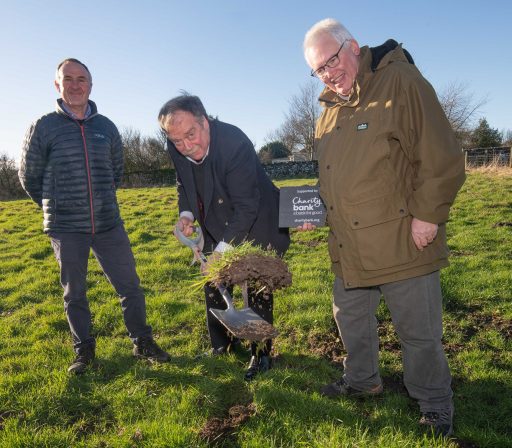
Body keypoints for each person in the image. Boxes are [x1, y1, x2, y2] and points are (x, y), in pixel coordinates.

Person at [302, 19, 466, 436]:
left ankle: (435, 405)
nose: (328, 72)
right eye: (319, 69)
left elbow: (441, 153)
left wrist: (428, 216)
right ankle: (362, 381)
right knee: (350, 318)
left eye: (332, 60)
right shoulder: (327, 111)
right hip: (350, 245)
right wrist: (311, 212)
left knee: (418, 333)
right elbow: (336, 176)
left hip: (402, 238)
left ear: (353, 47)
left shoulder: (400, 82)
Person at [19, 58, 169, 374]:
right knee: (75, 292)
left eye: (82, 78)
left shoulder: (107, 128)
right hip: (65, 225)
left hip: (108, 223)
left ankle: (142, 341)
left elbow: (115, 172)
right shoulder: (43, 126)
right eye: (68, 78)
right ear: (57, 84)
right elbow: (28, 175)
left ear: (90, 84)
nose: (75, 84)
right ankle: (84, 351)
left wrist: (99, 202)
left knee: (130, 285)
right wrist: (54, 206)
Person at [158, 94, 290, 381]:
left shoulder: (234, 143)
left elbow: (247, 207)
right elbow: (184, 181)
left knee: (256, 285)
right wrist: (187, 214)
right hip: (217, 218)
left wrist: (222, 251)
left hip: (257, 222)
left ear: (204, 122)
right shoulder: (175, 142)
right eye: (177, 141)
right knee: (214, 283)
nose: (185, 146)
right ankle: (222, 346)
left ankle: (261, 353)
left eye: (190, 135)